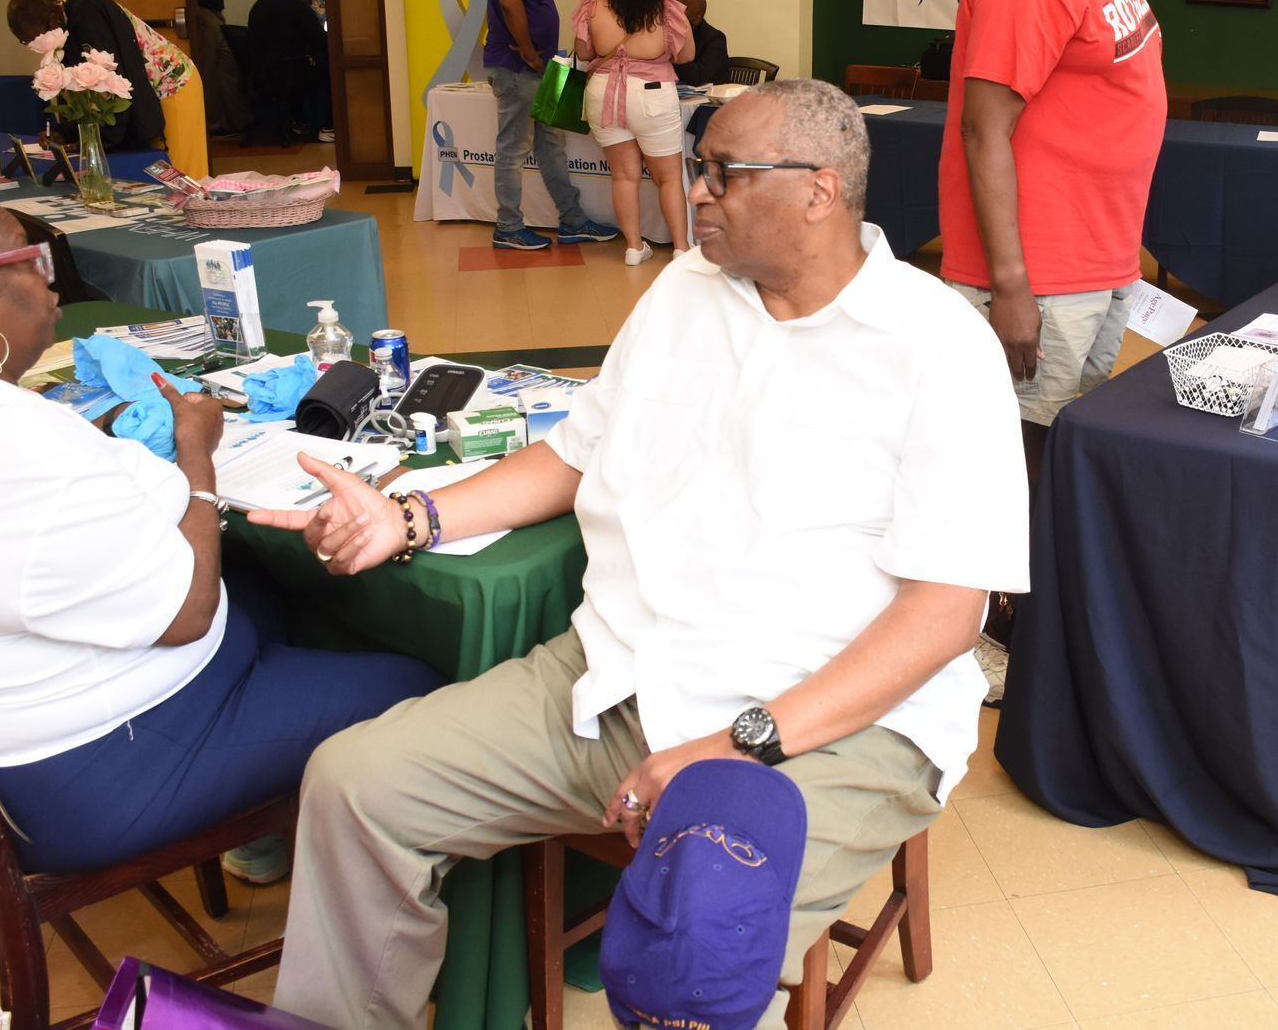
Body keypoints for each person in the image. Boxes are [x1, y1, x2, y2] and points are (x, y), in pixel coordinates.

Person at [255, 81, 1029, 1030]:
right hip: (618, 678)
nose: (697, 192)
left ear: (821, 192)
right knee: (354, 785)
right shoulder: (683, 293)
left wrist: (734, 745)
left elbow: (946, 615)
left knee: (698, 941)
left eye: (724, 175)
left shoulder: (939, 346)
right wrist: (409, 517)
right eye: (699, 170)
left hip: (825, 727)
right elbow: (575, 454)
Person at [0, 176, 443, 880]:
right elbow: (189, 614)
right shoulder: (20, 452)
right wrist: (198, 458)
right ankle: (381, 917)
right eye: (28, 259)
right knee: (416, 685)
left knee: (268, 592)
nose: (49, 279)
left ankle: (272, 832)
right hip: (96, 775)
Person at [935, 0, 1200, 696]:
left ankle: (1028, 622)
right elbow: (984, 123)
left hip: (1090, 259)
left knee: (1054, 448)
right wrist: (1012, 285)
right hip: (1040, 270)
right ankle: (976, 640)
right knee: (1015, 457)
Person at [483, 0, 618, 251]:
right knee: (513, 149)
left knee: (552, 144)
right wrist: (528, 52)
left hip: (538, 69)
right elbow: (509, 1)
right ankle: (508, 227)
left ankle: (573, 220)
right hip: (518, 68)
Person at [571, 0, 695, 265]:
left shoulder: (595, 6)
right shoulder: (667, 10)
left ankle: (633, 248)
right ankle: (681, 248)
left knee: (624, 175)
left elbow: (584, 53)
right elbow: (687, 55)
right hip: (652, 92)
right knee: (667, 176)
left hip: (604, 92)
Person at [7, 0, 209, 179]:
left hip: (171, 83)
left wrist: (102, 141)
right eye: (25, 43)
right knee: (156, 173)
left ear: (53, 19)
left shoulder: (87, 14)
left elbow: (114, 80)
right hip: (143, 92)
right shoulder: (61, 27)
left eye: (35, 39)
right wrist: (65, 132)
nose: (34, 46)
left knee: (181, 177)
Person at [187, 0, 251, 136]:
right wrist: (197, 11)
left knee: (227, 68)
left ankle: (235, 122)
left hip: (215, 13)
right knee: (210, 71)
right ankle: (212, 125)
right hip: (205, 15)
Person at [245, 0, 331, 144]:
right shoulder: (300, 8)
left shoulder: (260, 4)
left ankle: (296, 122)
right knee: (324, 72)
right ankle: (322, 125)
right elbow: (322, 41)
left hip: (257, 73)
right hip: (287, 73)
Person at [671, 0, 730, 87]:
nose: (673, 13)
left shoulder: (715, 39)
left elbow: (697, 77)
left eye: (679, 10)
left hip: (709, 98)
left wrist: (666, 64)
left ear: (697, 17)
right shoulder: (669, 32)